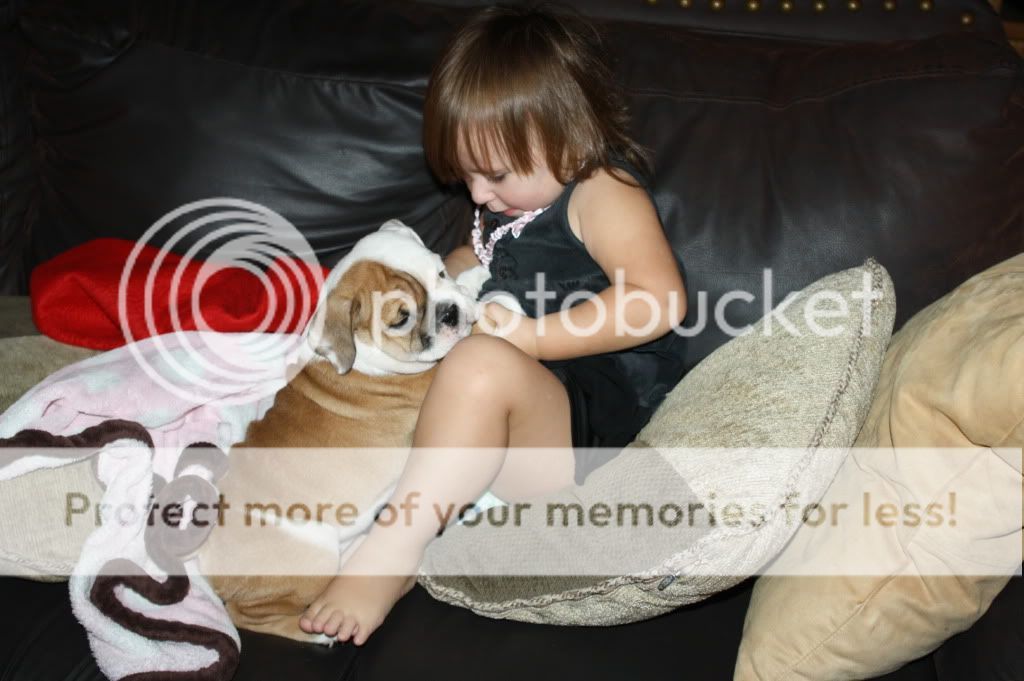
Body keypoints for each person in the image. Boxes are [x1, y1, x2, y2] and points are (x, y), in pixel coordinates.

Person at [299, 3, 687, 645]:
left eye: (495, 175)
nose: (477, 195)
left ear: (569, 136)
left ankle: (391, 550)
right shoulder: (508, 204)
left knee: (477, 365)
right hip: (523, 427)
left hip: (594, 437)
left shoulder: (602, 191)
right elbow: (471, 261)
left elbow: (658, 299)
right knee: (433, 366)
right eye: (467, 176)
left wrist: (533, 337)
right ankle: (422, 520)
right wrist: (431, 283)